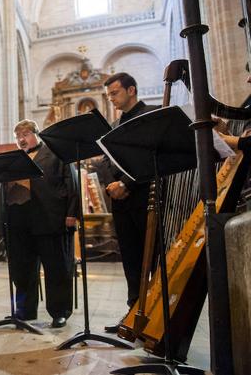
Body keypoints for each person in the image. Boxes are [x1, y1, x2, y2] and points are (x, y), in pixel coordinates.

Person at [101, 72, 159, 333]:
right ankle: (133, 313)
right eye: (109, 95)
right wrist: (111, 185)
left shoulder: (150, 117)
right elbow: (105, 162)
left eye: (114, 93)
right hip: (120, 203)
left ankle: (157, 316)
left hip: (145, 197)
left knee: (153, 256)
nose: (111, 99)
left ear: (131, 90)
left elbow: (150, 156)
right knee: (131, 260)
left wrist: (126, 183)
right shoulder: (113, 127)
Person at [6, 119, 78, 327]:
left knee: (56, 267)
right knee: (23, 268)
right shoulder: (14, 160)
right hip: (21, 221)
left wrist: (71, 213)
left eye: (26, 134)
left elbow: (71, 182)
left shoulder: (55, 153)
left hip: (50, 218)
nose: (21, 139)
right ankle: (25, 310)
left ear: (36, 134)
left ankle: (59, 311)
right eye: (18, 135)